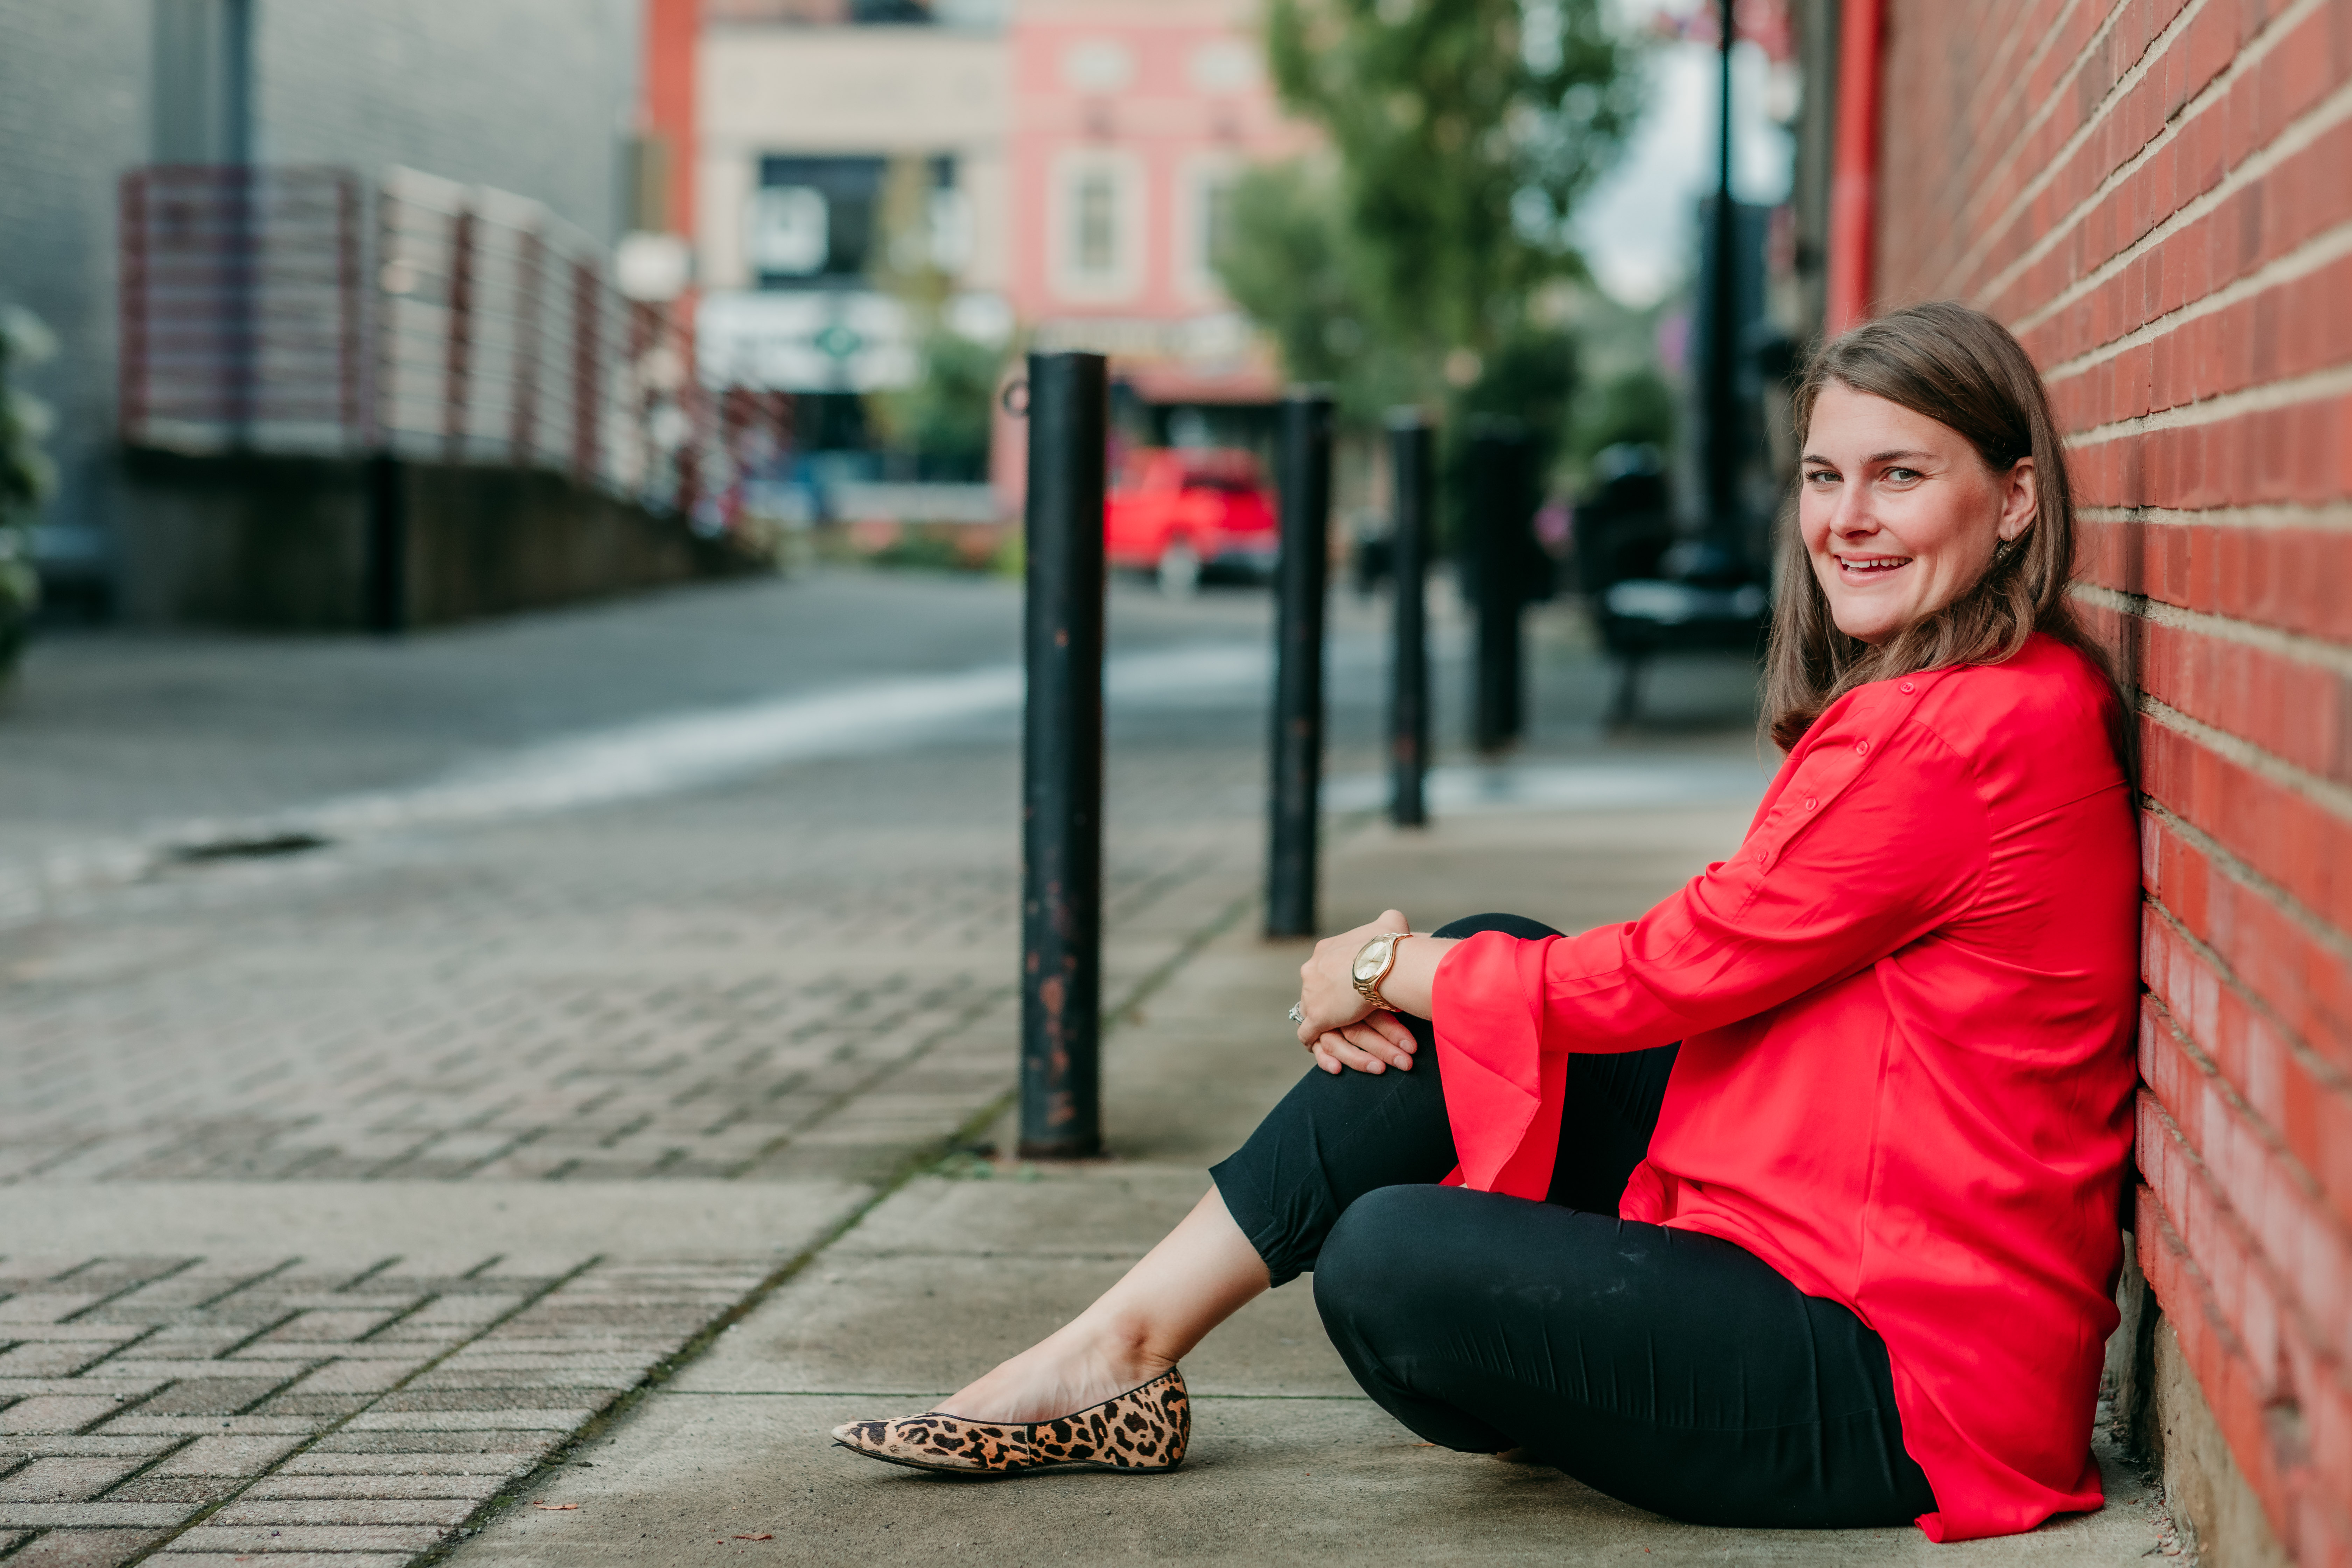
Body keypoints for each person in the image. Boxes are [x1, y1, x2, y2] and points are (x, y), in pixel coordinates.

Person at [831, 301, 2140, 1545]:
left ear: (2015, 498)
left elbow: (1669, 974)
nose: (1847, 520)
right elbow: (1704, 956)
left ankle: (1128, 1352)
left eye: (1900, 477)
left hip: (1908, 1376)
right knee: (1483, 968)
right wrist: (1424, 981)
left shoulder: (1959, 736)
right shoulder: (1989, 693)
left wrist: (1382, 964)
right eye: (1822, 476)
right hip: (1848, 1231)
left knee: (1390, 1257)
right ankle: (1115, 1349)